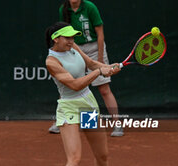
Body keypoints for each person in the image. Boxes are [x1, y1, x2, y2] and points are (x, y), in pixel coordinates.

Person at [45, 22, 123, 166]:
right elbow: (75, 84)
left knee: (102, 155)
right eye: (67, 37)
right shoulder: (52, 62)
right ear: (56, 39)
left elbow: (90, 63)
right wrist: (100, 74)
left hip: (88, 105)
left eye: (73, 37)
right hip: (70, 109)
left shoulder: (74, 48)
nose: (72, 41)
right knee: (75, 158)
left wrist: (107, 68)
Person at [49, 0, 124, 136]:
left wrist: (102, 61)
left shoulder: (90, 7)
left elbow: (100, 34)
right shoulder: (64, 9)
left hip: (93, 47)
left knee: (104, 89)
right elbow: (62, 33)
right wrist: (100, 69)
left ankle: (117, 124)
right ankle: (61, 120)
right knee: (67, 86)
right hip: (73, 46)